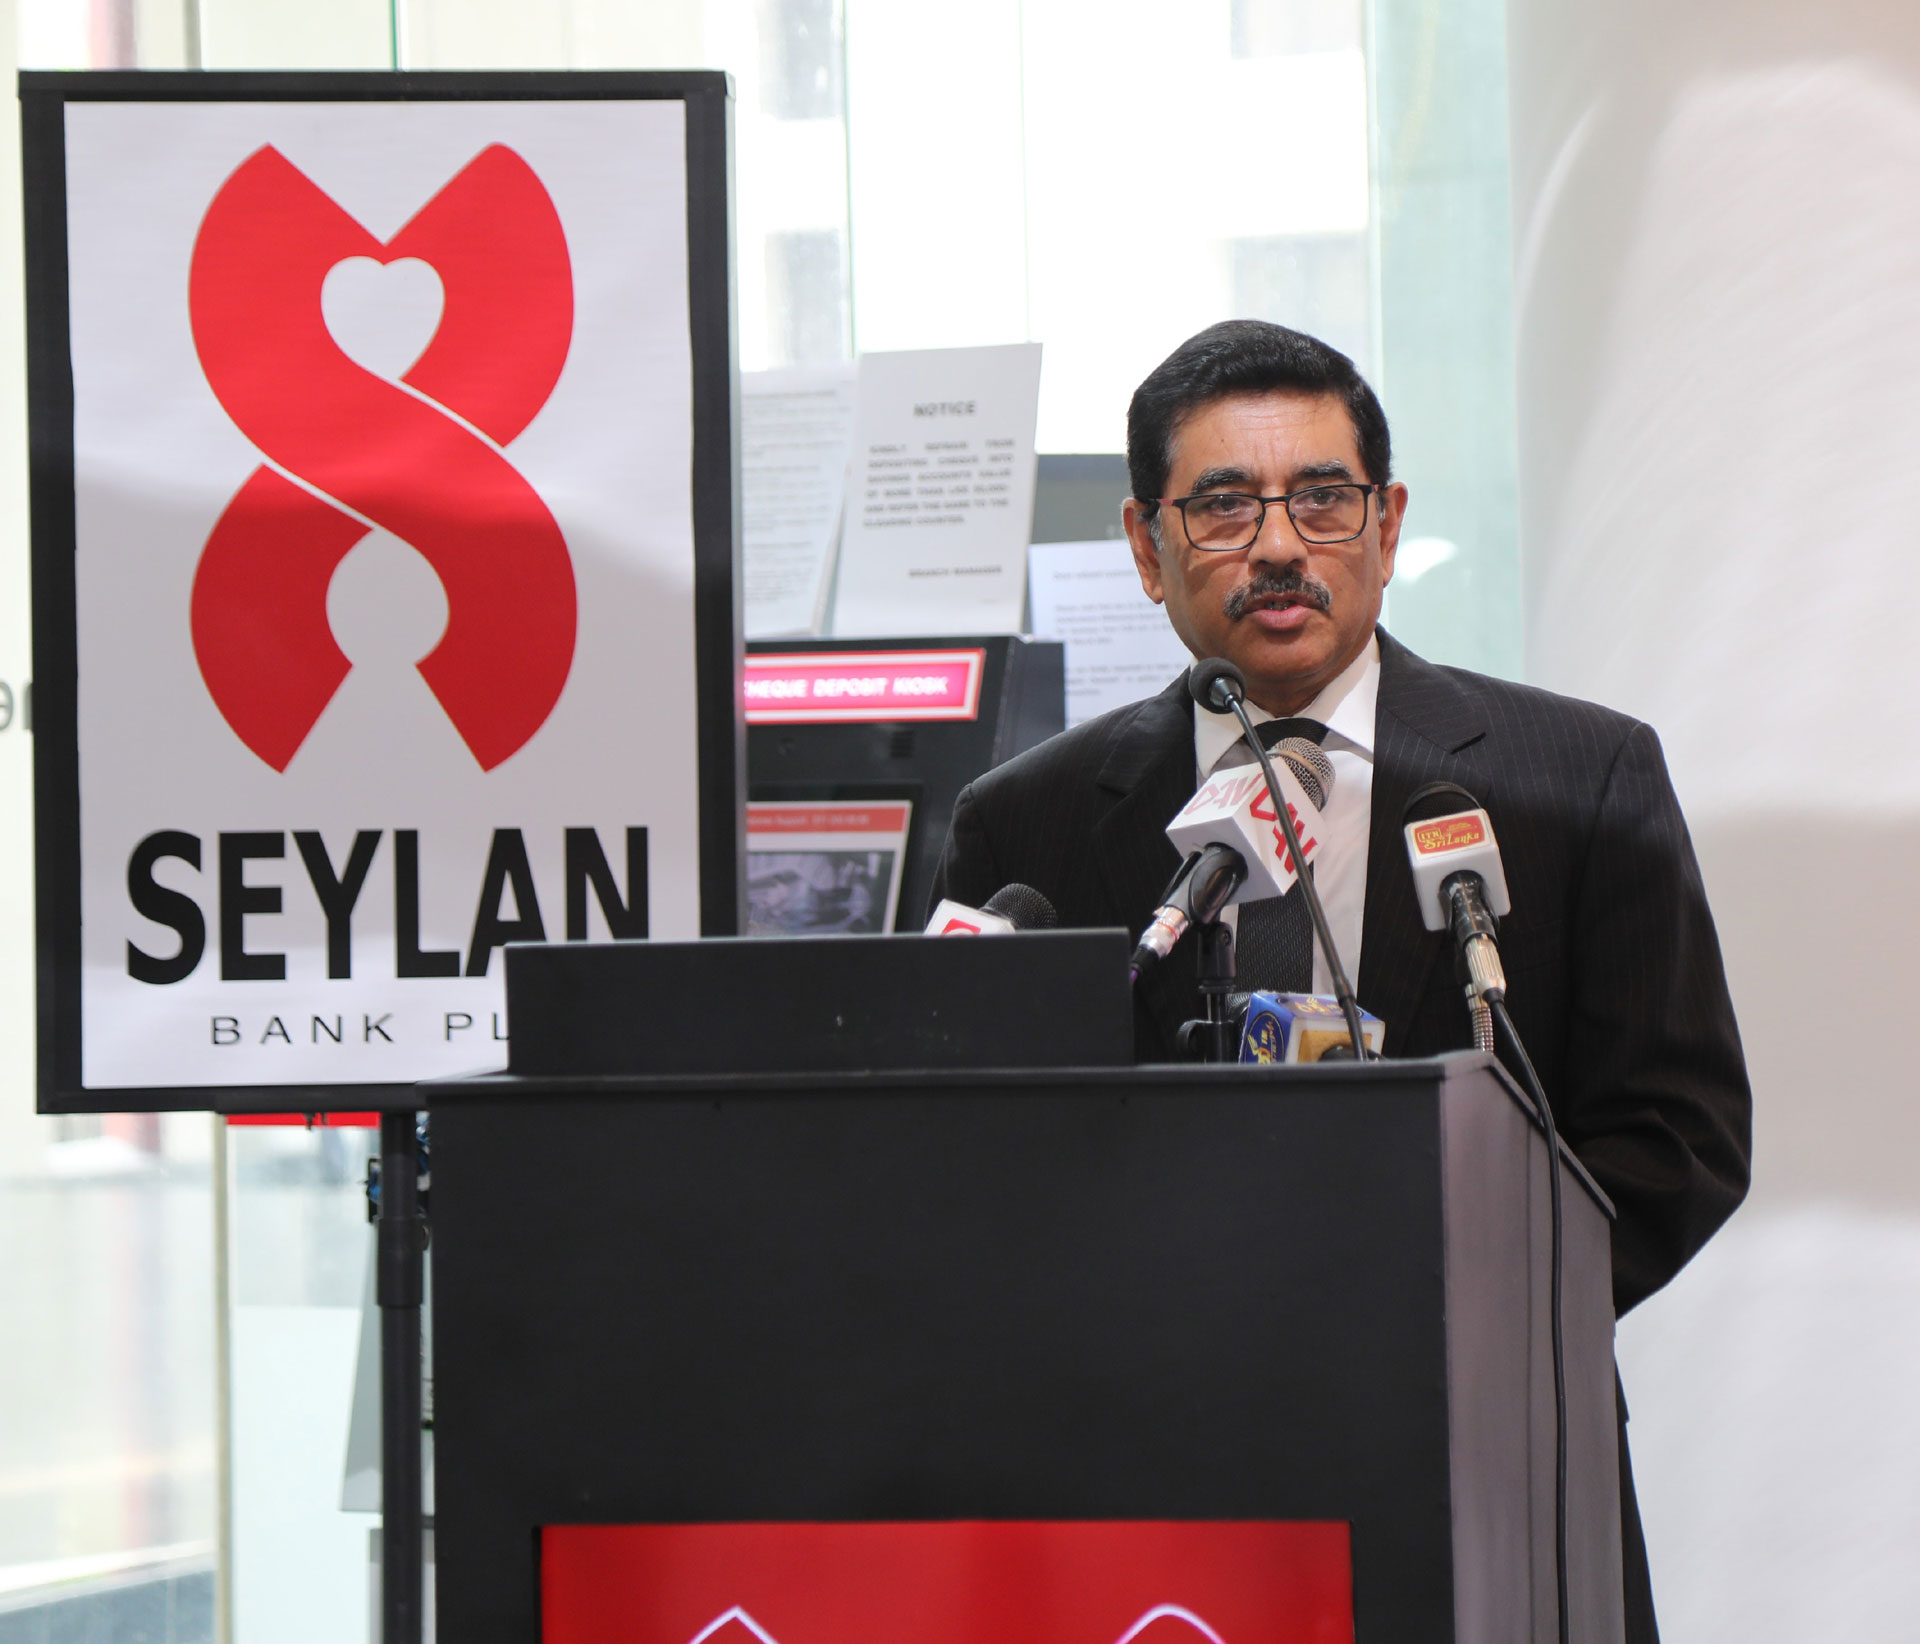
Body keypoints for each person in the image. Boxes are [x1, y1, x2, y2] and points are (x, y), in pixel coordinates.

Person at [928, 319, 1751, 1642]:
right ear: (1144, 545)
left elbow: (1678, 1136)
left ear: (1387, 522)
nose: (1278, 545)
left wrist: (1452, 1319)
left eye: (1322, 498)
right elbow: (984, 1162)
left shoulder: (1575, 783)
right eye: (1223, 506)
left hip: (1489, 1463)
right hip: (1146, 1484)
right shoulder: (1026, 822)